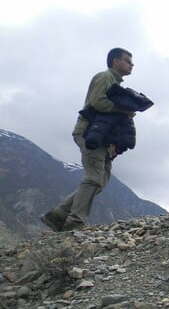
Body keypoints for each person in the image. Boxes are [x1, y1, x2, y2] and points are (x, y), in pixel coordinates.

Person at [40, 48, 136, 232]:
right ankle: (75, 222)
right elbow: (98, 102)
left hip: (103, 138)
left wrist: (113, 142)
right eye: (127, 60)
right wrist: (126, 110)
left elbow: (111, 118)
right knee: (93, 178)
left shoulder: (116, 83)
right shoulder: (104, 77)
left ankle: (58, 215)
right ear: (115, 61)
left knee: (101, 181)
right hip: (89, 134)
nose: (131, 64)